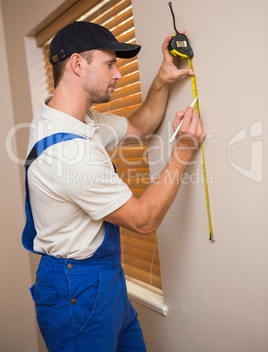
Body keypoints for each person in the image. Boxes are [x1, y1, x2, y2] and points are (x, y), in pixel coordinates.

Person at [22, 21, 205, 351]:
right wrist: (183, 151)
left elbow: (138, 126)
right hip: (75, 291)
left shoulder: (76, 118)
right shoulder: (68, 152)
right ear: (78, 64)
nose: (118, 74)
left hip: (103, 281)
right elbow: (143, 219)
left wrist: (162, 80)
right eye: (110, 64)